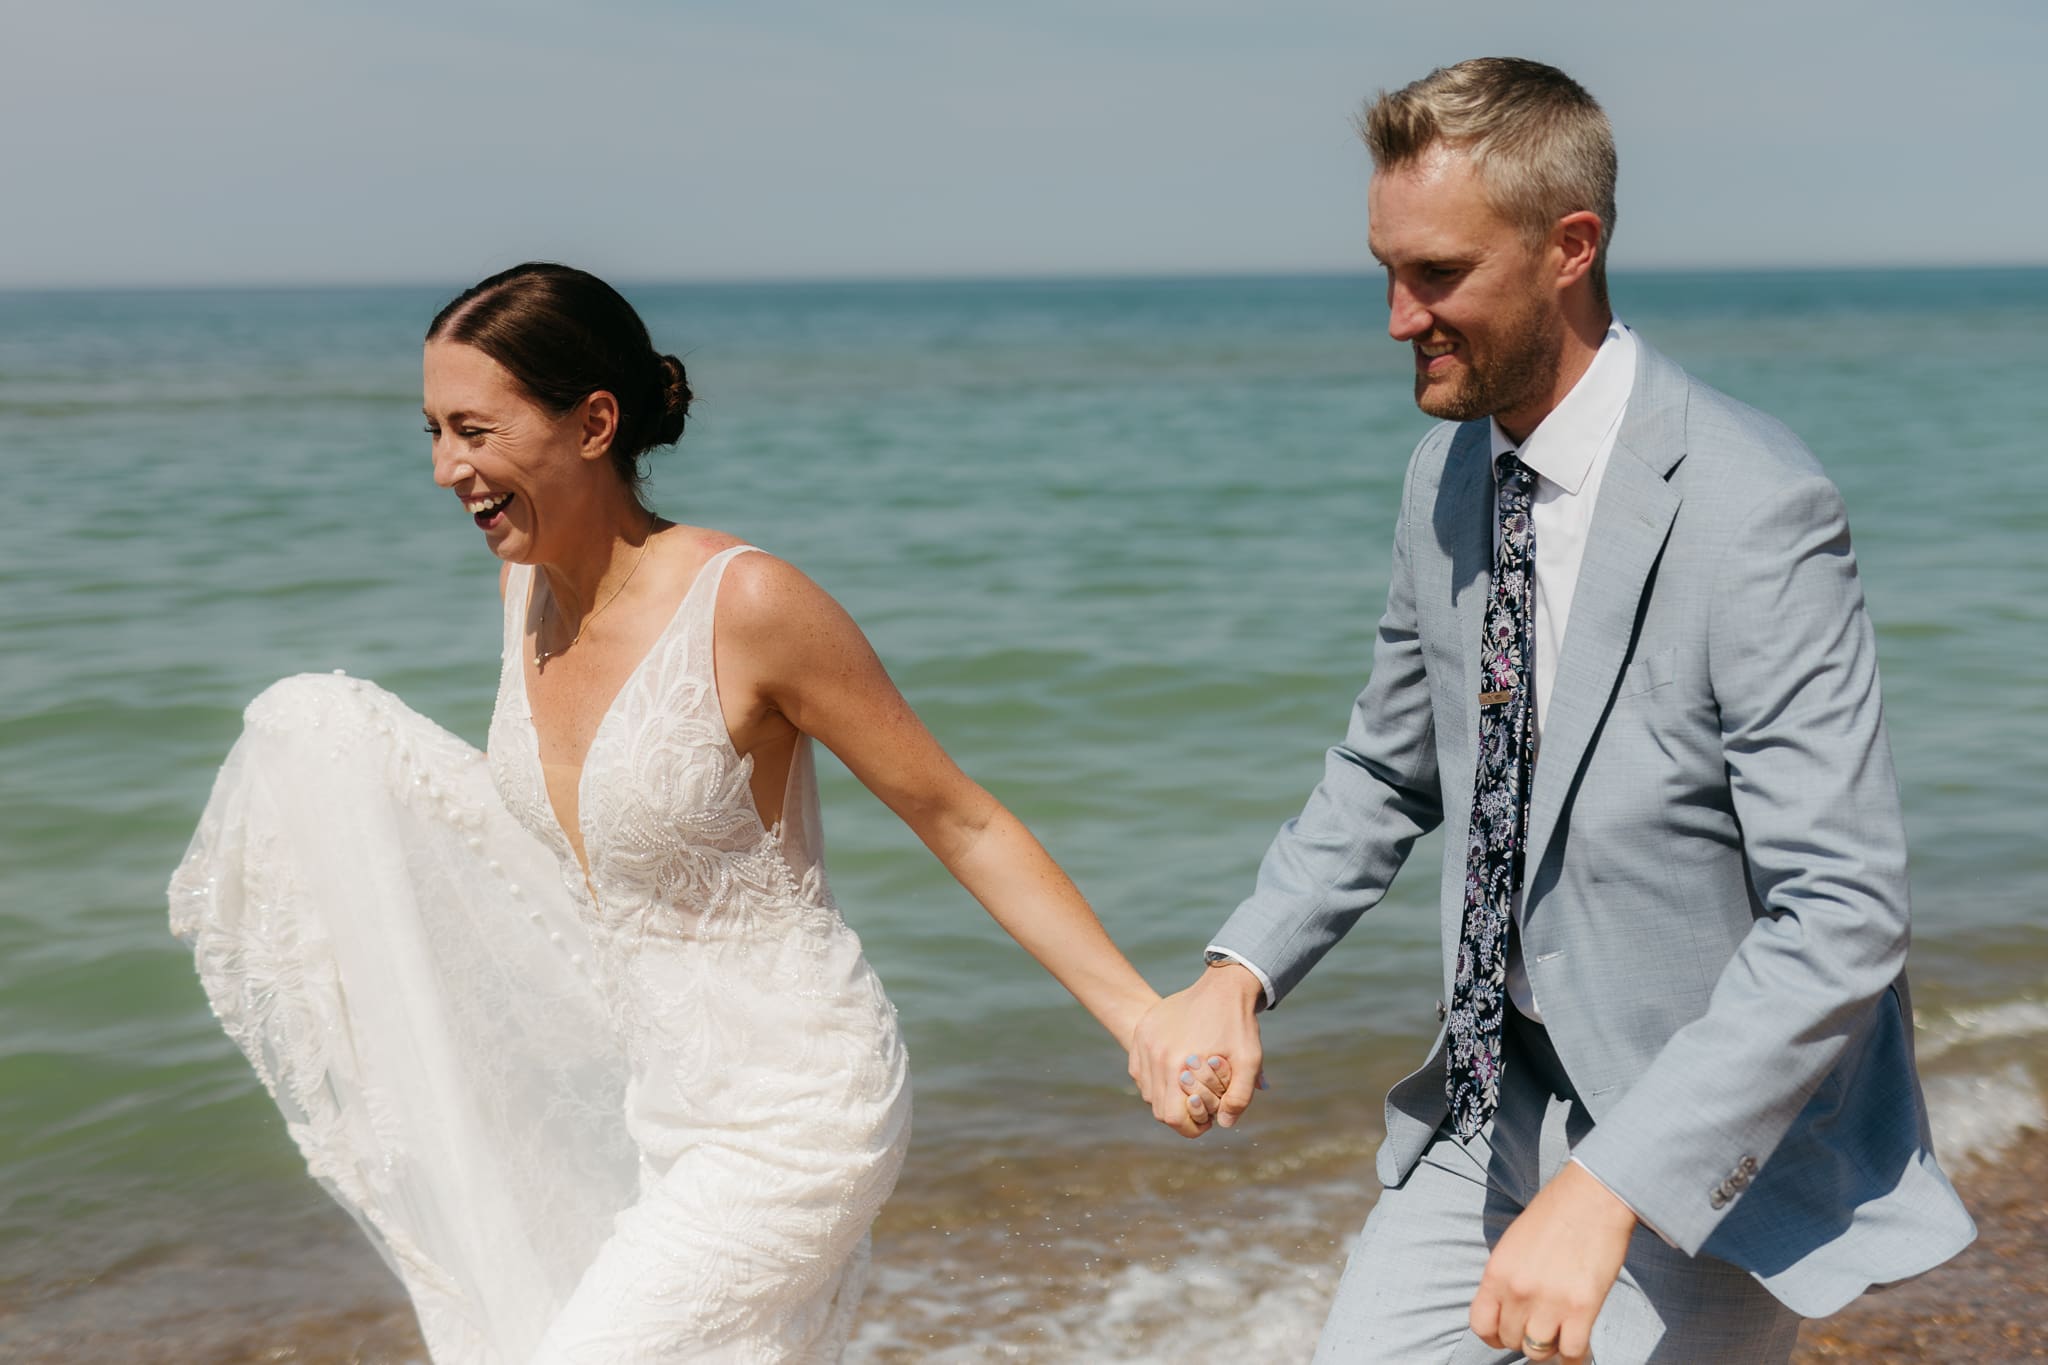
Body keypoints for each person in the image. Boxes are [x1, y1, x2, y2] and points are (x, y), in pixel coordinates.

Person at [170, 262, 1219, 1362]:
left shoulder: (749, 605)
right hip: (661, 1110)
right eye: (431, 431)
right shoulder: (524, 595)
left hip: (799, 1108)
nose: (445, 470)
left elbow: (959, 818)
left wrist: (1140, 1018)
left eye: (473, 430)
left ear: (593, 423)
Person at [1130, 58, 1974, 1364]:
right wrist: (1239, 971)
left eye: (1439, 276)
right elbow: (1388, 768)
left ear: (1569, 248)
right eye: (1387, 271)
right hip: (1488, 1104)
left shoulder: (1756, 509)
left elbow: (1845, 911)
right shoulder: (1446, 475)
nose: (1399, 318)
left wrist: (1616, 1177)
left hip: (1709, 1150)